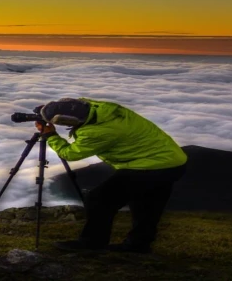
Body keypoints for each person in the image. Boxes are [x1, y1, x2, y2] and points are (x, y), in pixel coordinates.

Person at [35, 98, 187, 254]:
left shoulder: (98, 132)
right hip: (174, 160)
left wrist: (51, 135)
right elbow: (75, 104)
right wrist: (50, 109)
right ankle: (138, 245)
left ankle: (92, 243)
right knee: (147, 203)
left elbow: (70, 153)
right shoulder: (100, 107)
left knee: (99, 200)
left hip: (150, 166)